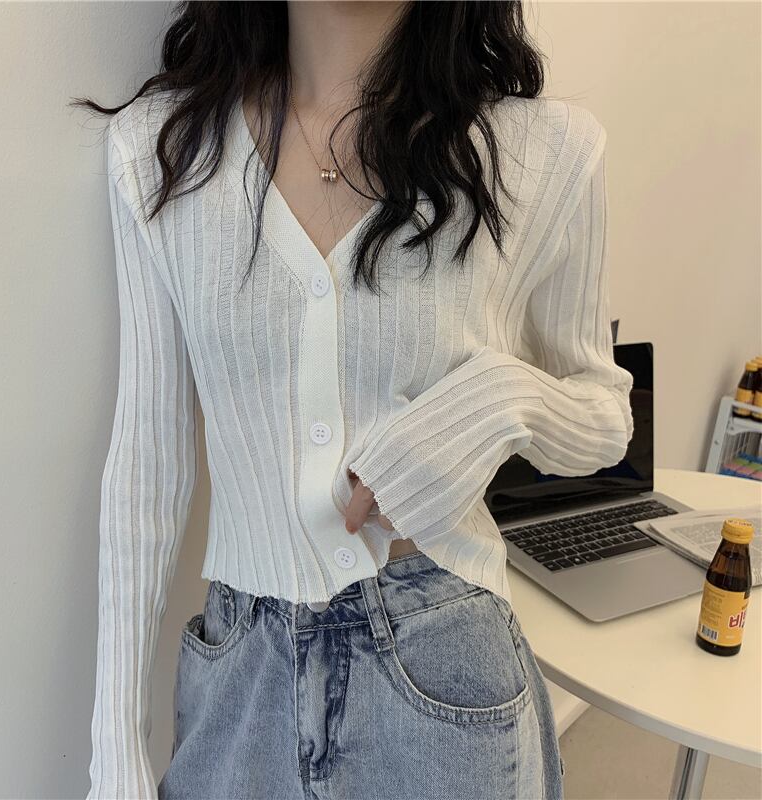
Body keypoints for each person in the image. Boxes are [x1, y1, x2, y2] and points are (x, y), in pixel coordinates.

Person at [76, 1, 634, 798]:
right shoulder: (162, 152)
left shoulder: (544, 154)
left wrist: (497, 400)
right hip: (239, 680)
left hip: (446, 671)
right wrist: (114, 751)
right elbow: (146, 466)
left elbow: (605, 417)